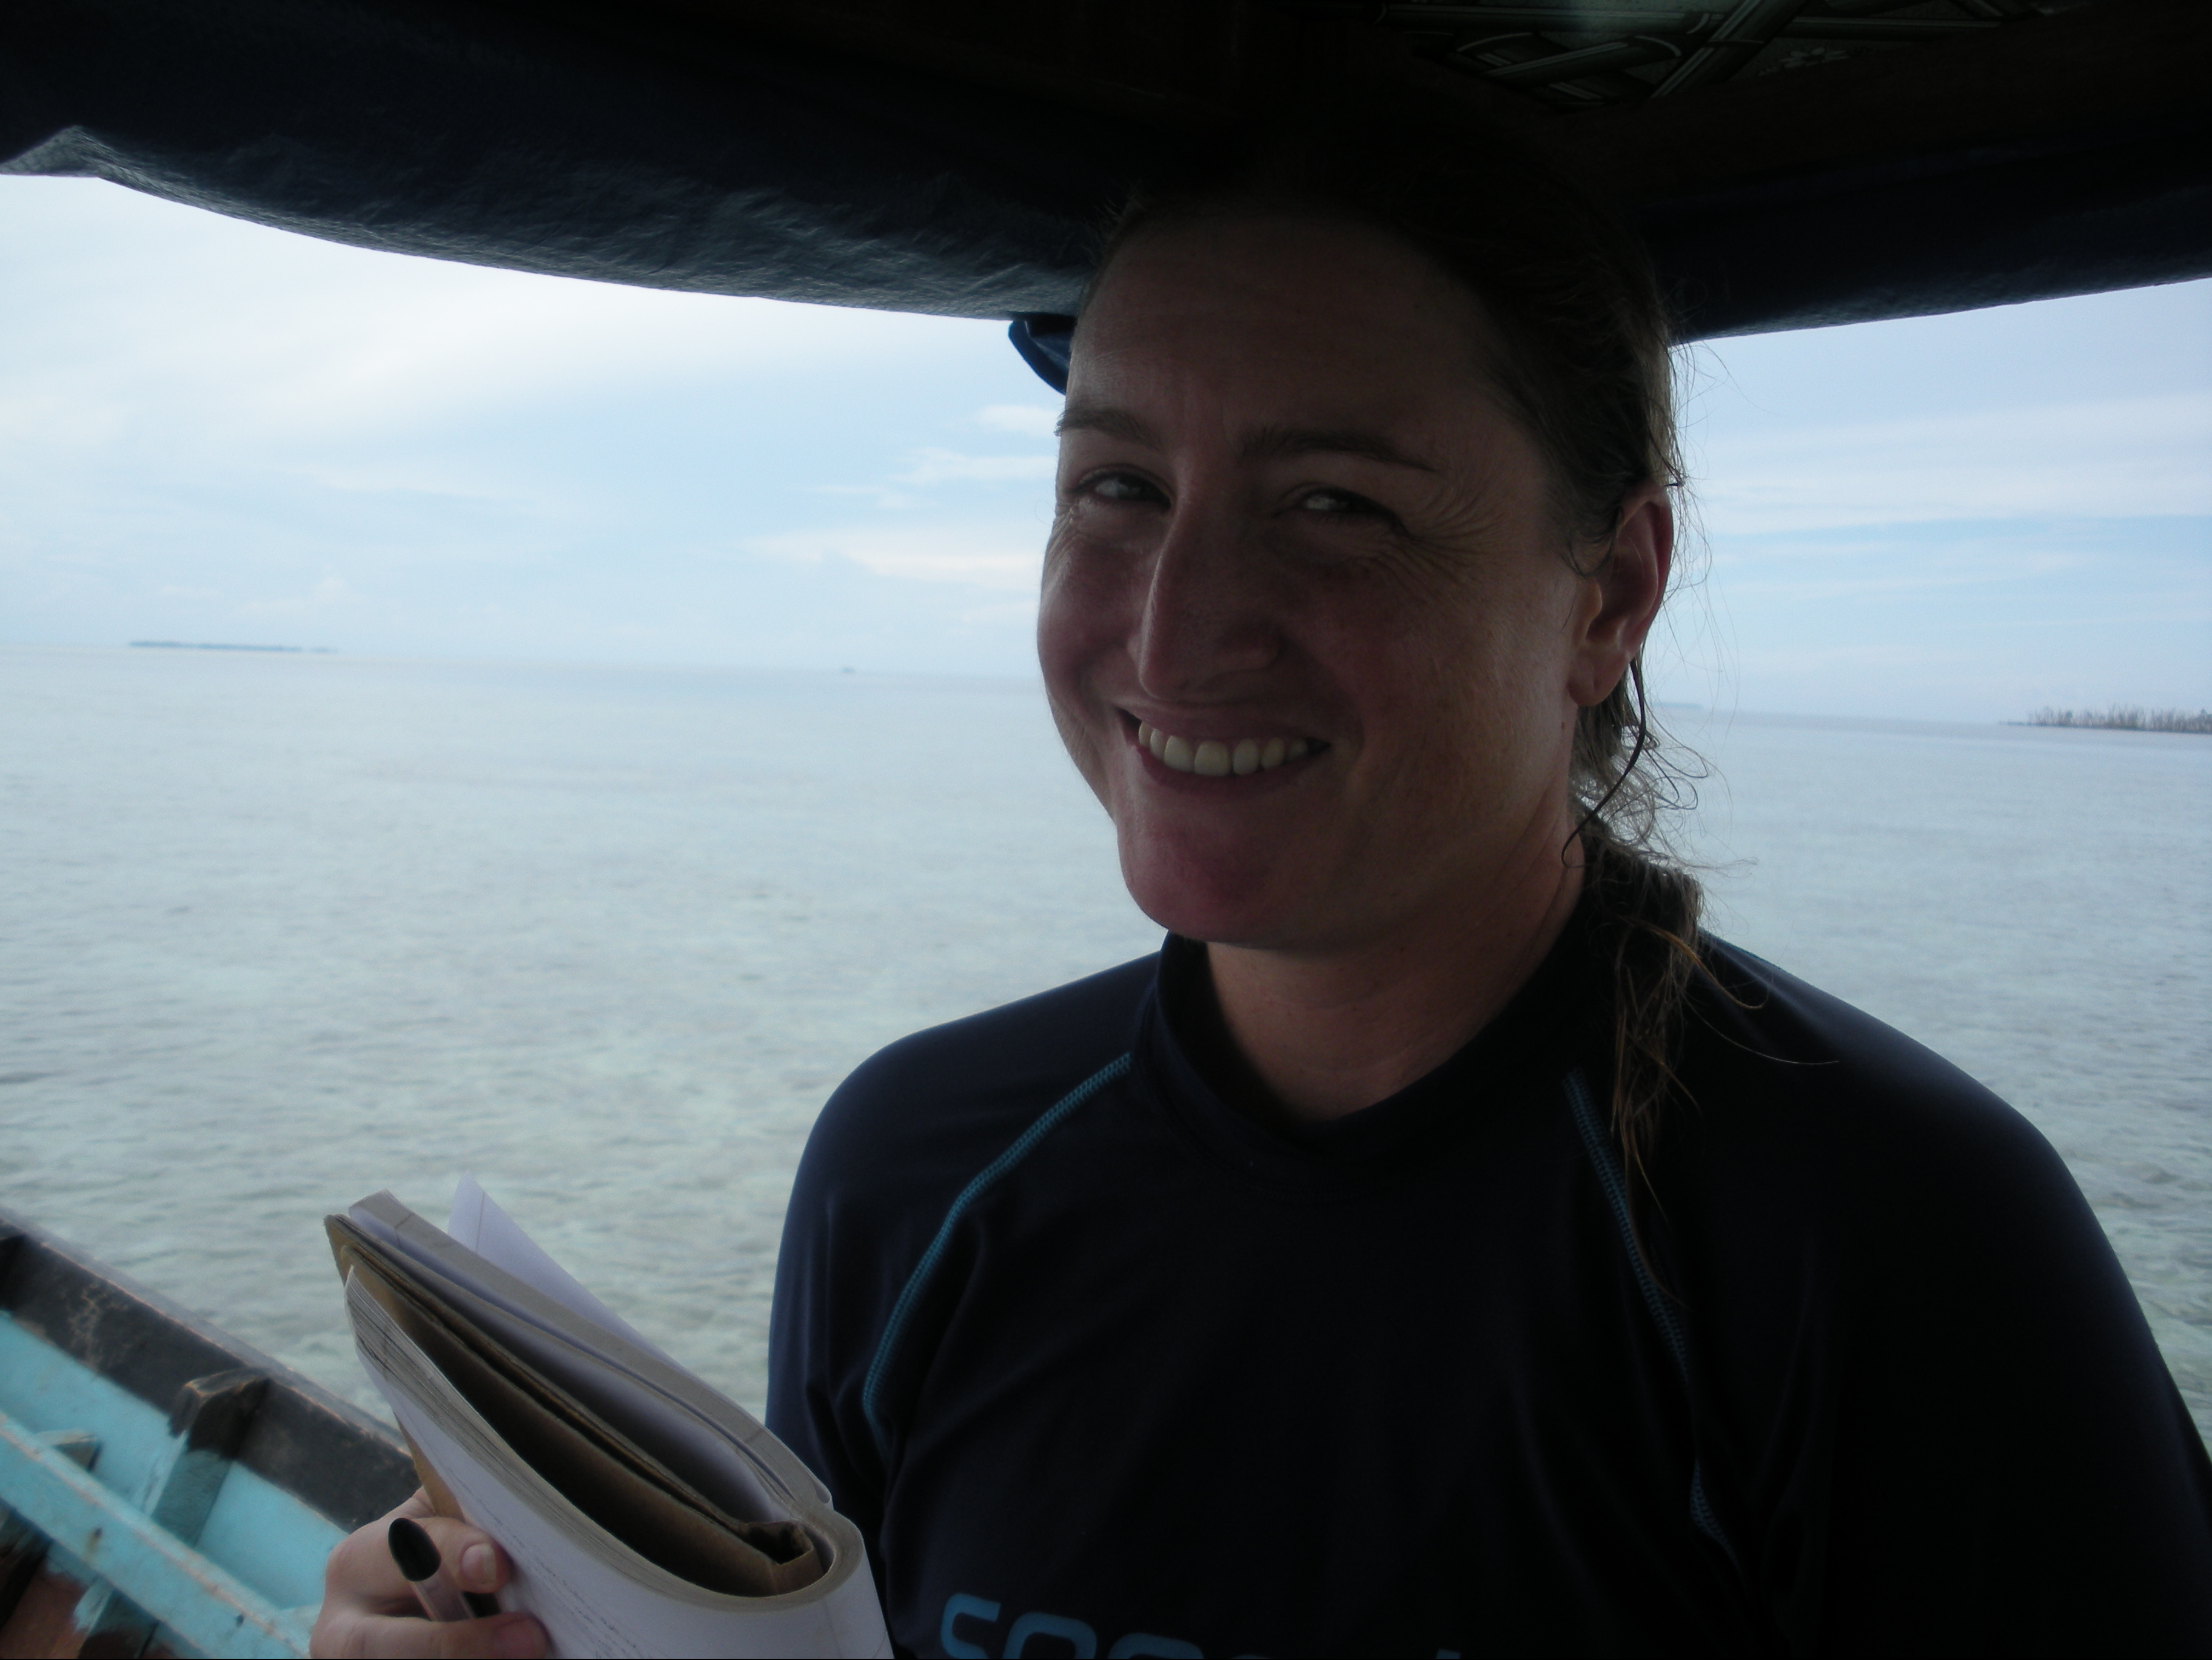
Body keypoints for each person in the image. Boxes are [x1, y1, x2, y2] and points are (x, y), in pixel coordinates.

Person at [313, 120, 2212, 1658]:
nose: (1176, 623)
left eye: (1338, 507)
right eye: (1116, 488)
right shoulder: (916, 1172)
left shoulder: (1882, 1242)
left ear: (1609, 594)